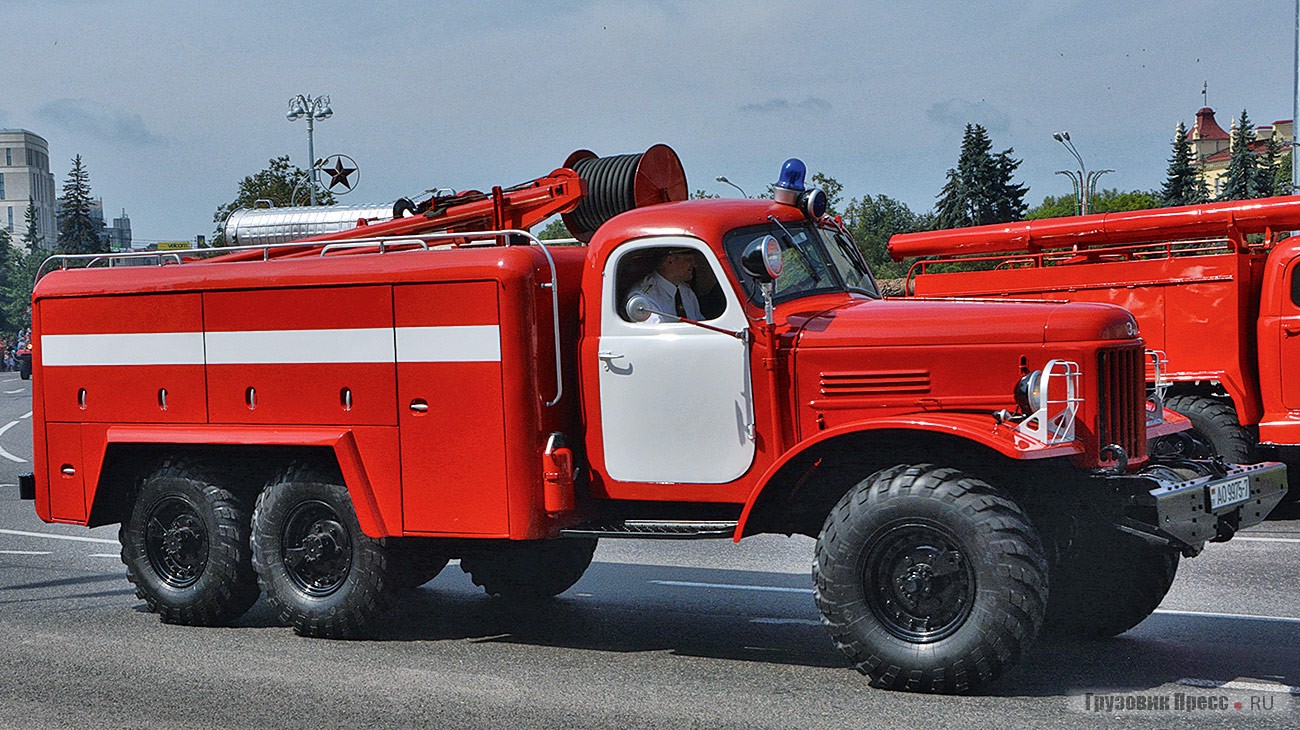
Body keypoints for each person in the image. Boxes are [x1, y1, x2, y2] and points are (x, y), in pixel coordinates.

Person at [625, 248, 703, 324]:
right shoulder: (643, 298)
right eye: (688, 259)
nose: (695, 265)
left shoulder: (686, 291)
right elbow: (656, 333)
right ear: (670, 261)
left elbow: (701, 323)